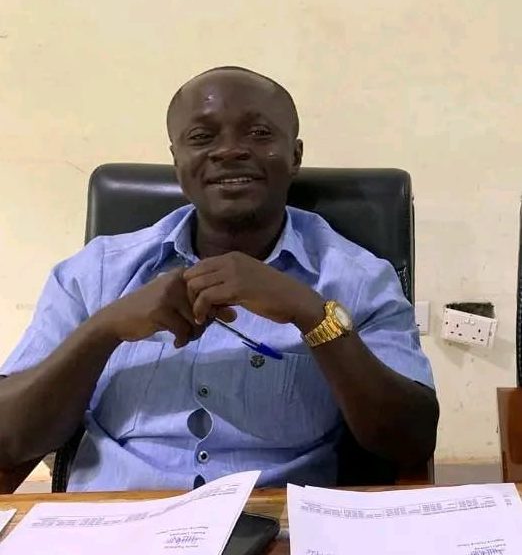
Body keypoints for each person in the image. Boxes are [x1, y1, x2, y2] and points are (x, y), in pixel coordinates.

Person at [0, 66, 438, 491]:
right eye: (201, 137)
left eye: (259, 133)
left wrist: (312, 315)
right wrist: (105, 329)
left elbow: (410, 440)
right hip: (115, 520)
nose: (229, 150)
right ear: (177, 160)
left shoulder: (358, 278)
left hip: (275, 521)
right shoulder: (94, 272)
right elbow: (9, 437)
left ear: (295, 156)